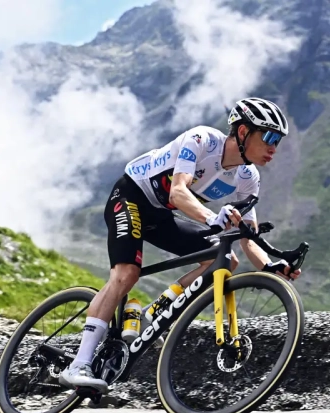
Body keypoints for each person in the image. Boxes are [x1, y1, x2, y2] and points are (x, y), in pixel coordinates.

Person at [59, 97, 303, 393]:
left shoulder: (248, 177)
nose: (274, 146)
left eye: (278, 139)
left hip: (161, 215)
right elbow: (178, 192)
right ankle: (79, 364)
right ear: (242, 132)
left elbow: (247, 235)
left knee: (224, 260)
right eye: (269, 136)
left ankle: (147, 315)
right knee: (126, 275)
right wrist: (212, 216)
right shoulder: (202, 140)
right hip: (130, 197)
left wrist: (271, 264)